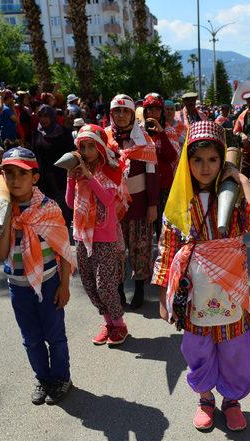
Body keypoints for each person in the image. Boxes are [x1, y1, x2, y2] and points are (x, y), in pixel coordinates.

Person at [152, 120, 250, 431]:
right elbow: (167, 249)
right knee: (197, 346)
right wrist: (163, 297)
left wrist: (241, 179)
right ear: (186, 163)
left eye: (213, 160)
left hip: (231, 287)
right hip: (194, 289)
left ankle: (232, 400)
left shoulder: (233, 195)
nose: (205, 167)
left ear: (222, 161)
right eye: (197, 160)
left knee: (234, 348)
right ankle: (205, 398)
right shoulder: (180, 202)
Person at [0, 147, 76, 405]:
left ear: (34, 178)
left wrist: (65, 286)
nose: (15, 180)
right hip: (18, 287)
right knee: (31, 339)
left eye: (22, 174)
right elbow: (1, 252)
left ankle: (61, 378)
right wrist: (2, 217)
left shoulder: (49, 209)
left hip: (49, 283)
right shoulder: (1, 209)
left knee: (55, 336)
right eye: (9, 174)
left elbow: (63, 250)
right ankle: (43, 378)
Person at [65, 124, 130, 346]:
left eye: (91, 145)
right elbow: (68, 202)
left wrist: (87, 176)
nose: (86, 150)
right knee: (89, 282)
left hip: (105, 235)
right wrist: (71, 177)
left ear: (100, 147)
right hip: (82, 235)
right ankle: (108, 322)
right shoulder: (79, 170)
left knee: (105, 284)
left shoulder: (111, 168)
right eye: (82, 146)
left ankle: (119, 325)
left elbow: (108, 199)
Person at [105, 94, 157, 309]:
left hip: (139, 203)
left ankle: (139, 289)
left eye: (126, 111)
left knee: (140, 247)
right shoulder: (105, 138)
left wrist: (153, 204)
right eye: (117, 110)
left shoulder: (145, 139)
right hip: (112, 204)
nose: (121, 115)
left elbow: (152, 173)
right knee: (116, 249)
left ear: (132, 115)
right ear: (111, 114)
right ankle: (118, 289)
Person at [141, 93, 179, 240]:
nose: (153, 113)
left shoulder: (169, 131)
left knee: (164, 232)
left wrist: (161, 133)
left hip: (164, 188)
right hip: (145, 187)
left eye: (157, 109)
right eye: (149, 109)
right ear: (144, 112)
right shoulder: (138, 132)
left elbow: (172, 157)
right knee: (145, 233)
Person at [32, 104, 75, 223]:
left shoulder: (63, 132)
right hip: (43, 177)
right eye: (40, 116)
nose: (43, 119)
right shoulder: (37, 133)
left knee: (62, 207)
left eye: (46, 116)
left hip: (60, 176)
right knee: (45, 208)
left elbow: (71, 152)